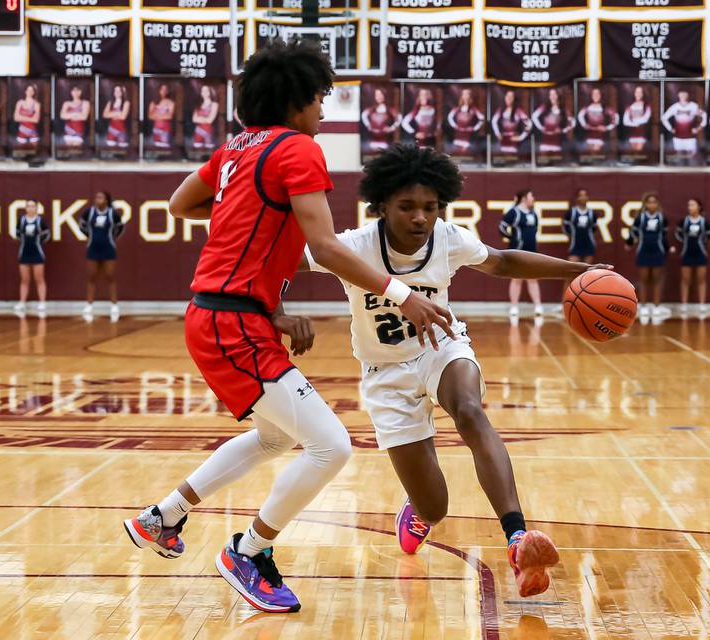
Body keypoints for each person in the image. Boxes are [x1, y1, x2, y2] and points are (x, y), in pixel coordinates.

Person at [122, 40, 454, 615]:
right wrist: (401, 295)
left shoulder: (235, 149)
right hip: (232, 321)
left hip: (219, 314)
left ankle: (164, 516)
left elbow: (180, 203)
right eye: (321, 97)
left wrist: (244, 211)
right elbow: (324, 247)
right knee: (332, 446)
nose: (325, 109)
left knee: (277, 436)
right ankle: (249, 552)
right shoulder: (299, 149)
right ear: (298, 99)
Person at [299, 145, 611, 597]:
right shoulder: (353, 247)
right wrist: (277, 311)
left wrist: (576, 270)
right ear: (382, 205)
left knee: (469, 410)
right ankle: (420, 511)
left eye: (430, 207)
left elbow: (502, 261)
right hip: (385, 374)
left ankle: (517, 536)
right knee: (435, 505)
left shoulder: (447, 238)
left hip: (440, 349)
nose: (421, 217)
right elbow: (276, 265)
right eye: (407, 207)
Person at [79, 191, 124, 322]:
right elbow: (82, 224)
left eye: (101, 197)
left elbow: (120, 227)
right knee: (91, 276)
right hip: (93, 248)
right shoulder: (90, 212)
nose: (98, 199)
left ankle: (114, 305)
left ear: (106, 200)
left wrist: (112, 238)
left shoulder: (112, 214)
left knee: (110, 276)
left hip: (108, 249)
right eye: (97, 197)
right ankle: (89, 305)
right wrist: (90, 236)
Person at [499, 190, 543, 317]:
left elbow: (534, 230)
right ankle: (514, 307)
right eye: (531, 196)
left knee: (533, 279)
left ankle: (538, 306)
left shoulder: (533, 213)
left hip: (532, 251)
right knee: (516, 279)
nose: (533, 198)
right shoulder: (514, 212)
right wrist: (512, 238)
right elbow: (502, 227)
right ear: (524, 198)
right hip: (517, 250)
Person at [627, 192, 669, 318]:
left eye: (654, 202)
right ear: (645, 204)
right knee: (644, 279)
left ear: (657, 204)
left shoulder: (662, 218)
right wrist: (629, 243)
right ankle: (644, 306)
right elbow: (633, 232)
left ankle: (656, 306)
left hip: (657, 251)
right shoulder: (640, 218)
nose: (652, 204)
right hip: (643, 251)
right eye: (649, 202)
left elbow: (664, 237)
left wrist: (667, 250)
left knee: (657, 279)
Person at [674, 198, 710, 315]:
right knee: (686, 280)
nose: (690, 207)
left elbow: (708, 236)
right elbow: (678, 234)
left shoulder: (704, 222)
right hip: (687, 253)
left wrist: (702, 244)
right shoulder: (684, 221)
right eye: (689, 205)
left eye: (693, 205)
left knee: (701, 279)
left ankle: (702, 304)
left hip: (700, 253)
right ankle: (684, 304)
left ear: (699, 207)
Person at [14, 198, 50, 318]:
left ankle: (42, 303)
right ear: (26, 208)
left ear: (36, 208)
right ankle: (22, 302)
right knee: (24, 280)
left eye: (33, 206)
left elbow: (47, 235)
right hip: (24, 252)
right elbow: (18, 234)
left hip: (37, 253)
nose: (30, 208)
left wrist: (38, 242)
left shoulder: (40, 221)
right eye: (28, 206)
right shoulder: (22, 220)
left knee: (39, 279)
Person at [662, 89, 706, 162]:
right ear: (678, 95)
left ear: (688, 95)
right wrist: (670, 128)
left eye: (685, 94)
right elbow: (664, 118)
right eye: (681, 94)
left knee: (692, 159)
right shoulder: (675, 107)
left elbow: (704, 115)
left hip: (690, 138)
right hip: (678, 138)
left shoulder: (693, 106)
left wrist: (699, 128)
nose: (683, 96)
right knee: (679, 159)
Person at [531, 88, 573, 158]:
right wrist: (541, 128)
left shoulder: (563, 109)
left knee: (555, 163)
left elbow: (572, 122)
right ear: (549, 97)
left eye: (554, 94)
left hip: (557, 143)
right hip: (545, 142)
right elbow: (534, 116)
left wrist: (563, 130)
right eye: (551, 95)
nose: (552, 96)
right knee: (544, 162)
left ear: (558, 96)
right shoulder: (545, 107)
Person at [577, 87, 617, 154]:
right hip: (589, 136)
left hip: (600, 137)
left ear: (601, 95)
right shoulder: (587, 107)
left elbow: (615, 118)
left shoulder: (605, 108)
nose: (596, 96)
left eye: (597, 94)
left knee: (595, 154)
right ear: (591, 95)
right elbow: (580, 116)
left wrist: (607, 128)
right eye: (594, 94)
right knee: (590, 155)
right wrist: (584, 125)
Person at [491, 89, 531, 156]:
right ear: (505, 98)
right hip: (503, 141)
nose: (509, 98)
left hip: (514, 143)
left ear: (514, 99)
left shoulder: (518, 111)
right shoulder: (500, 110)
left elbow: (529, 124)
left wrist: (521, 137)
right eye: (507, 96)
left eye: (511, 96)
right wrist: (497, 133)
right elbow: (493, 121)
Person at [361, 87, 401, 152]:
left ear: (384, 95)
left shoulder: (389, 109)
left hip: (385, 142)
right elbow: (363, 115)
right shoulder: (372, 109)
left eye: (380, 95)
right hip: (372, 142)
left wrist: (392, 128)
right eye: (376, 95)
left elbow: (399, 117)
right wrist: (368, 125)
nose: (378, 97)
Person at [446, 88, 485, 154]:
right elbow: (449, 117)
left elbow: (482, 119)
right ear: (462, 96)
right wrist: (454, 125)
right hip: (458, 135)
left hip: (468, 137)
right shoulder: (457, 108)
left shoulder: (474, 109)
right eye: (464, 94)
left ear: (470, 96)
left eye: (467, 94)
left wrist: (474, 128)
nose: (466, 96)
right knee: (457, 152)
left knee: (466, 152)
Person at [622, 85, 651, 154]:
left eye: (640, 92)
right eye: (637, 92)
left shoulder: (646, 105)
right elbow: (625, 121)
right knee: (634, 154)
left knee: (639, 153)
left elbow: (645, 119)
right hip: (632, 134)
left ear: (643, 94)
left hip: (642, 134)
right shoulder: (629, 106)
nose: (638, 94)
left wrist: (633, 120)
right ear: (634, 93)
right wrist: (635, 123)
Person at [192, 84, 219, 149]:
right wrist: (205, 119)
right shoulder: (198, 104)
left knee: (209, 152)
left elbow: (210, 120)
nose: (204, 92)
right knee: (197, 151)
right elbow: (194, 119)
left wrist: (200, 118)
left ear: (210, 92)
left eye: (206, 90)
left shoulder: (214, 104)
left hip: (209, 132)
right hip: (198, 132)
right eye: (203, 91)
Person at [103, 84, 130, 148]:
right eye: (115, 91)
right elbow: (105, 115)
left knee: (122, 152)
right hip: (111, 130)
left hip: (122, 131)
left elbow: (123, 117)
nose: (117, 93)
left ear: (122, 92)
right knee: (111, 151)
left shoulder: (126, 103)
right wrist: (118, 113)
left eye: (119, 91)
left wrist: (111, 113)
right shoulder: (110, 102)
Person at [149, 83, 175, 148]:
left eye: (165, 89)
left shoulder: (171, 102)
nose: (163, 91)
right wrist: (163, 115)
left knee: (165, 148)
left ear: (168, 91)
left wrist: (157, 115)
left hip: (165, 130)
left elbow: (170, 116)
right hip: (156, 129)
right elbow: (150, 116)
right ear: (159, 90)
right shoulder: (154, 102)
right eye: (162, 89)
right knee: (156, 148)